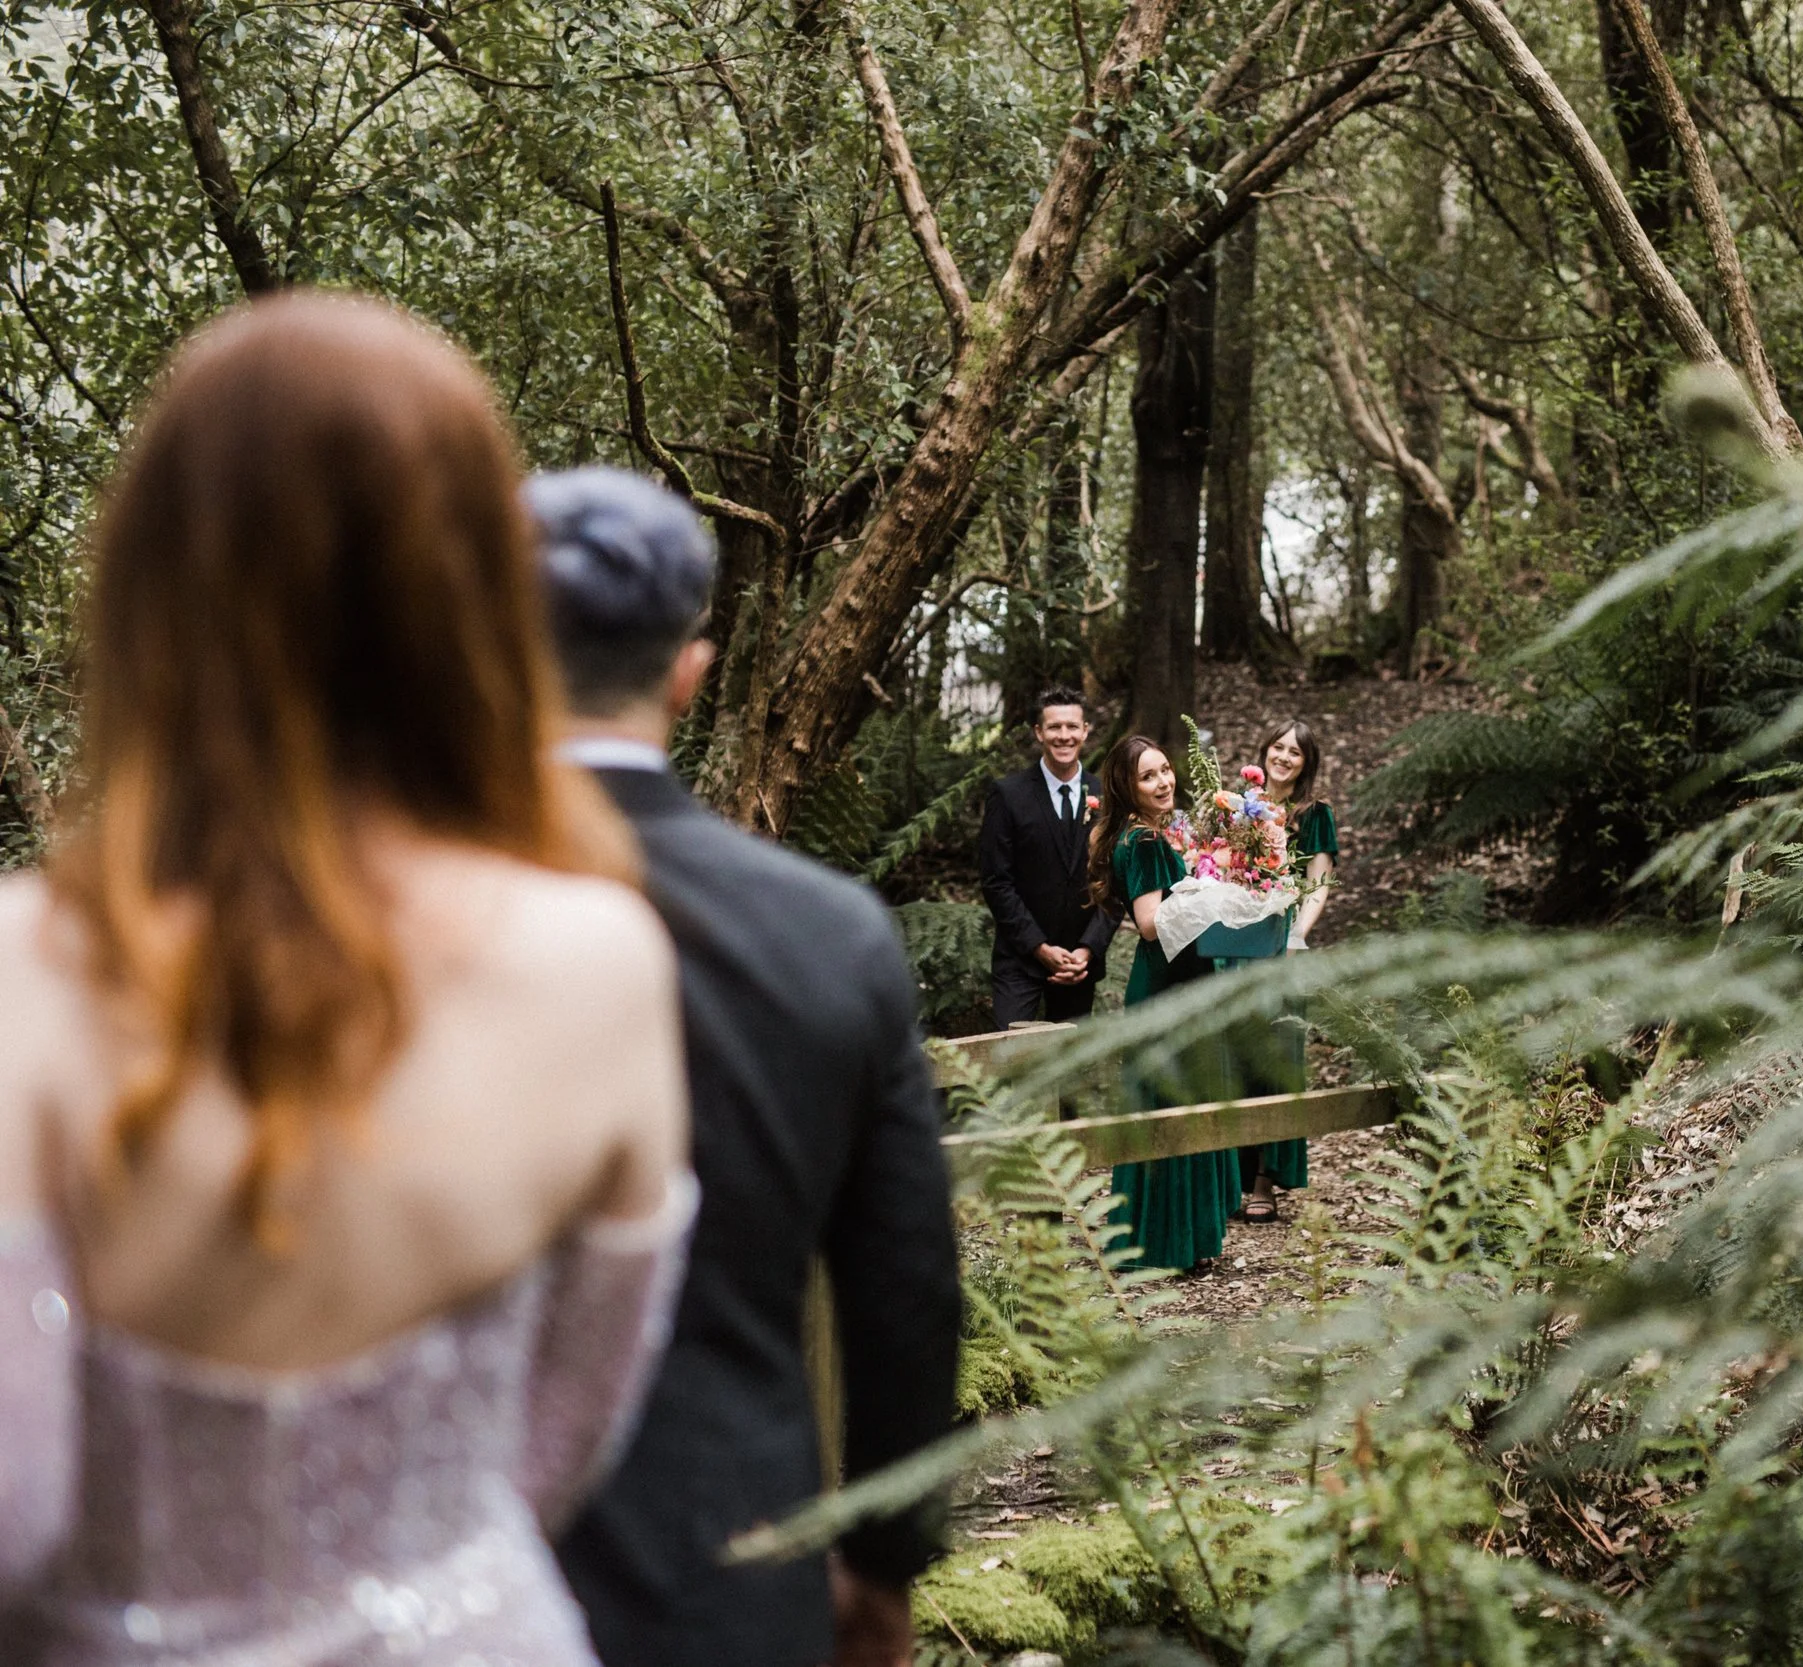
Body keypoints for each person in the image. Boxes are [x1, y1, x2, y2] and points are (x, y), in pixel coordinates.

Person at [0, 293, 695, 1664]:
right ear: (475, 596)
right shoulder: (604, 959)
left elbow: (18, 1504)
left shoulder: (26, 967)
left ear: (149, 587)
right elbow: (557, 1446)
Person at [526, 468, 961, 1667]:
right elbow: (907, 1291)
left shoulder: (387, 923)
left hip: (450, 1562)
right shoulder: (828, 934)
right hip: (736, 1553)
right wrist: (881, 1560)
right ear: (688, 671)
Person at [1092, 735, 1241, 1270]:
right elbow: (1151, 925)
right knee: (1170, 1110)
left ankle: (1188, 1239)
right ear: (1127, 789)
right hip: (1166, 988)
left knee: (1192, 1102)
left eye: (1165, 770)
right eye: (1148, 777)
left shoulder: (1168, 833)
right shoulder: (1147, 843)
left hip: (1192, 981)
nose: (1163, 782)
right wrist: (1208, 898)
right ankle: (1164, 1243)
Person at [1236, 720, 1337, 1223]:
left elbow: (1318, 883)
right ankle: (1227, 1176)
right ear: (1264, 750)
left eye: (1294, 752)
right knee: (1233, 1057)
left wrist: (1297, 935)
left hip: (1283, 948)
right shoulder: (1236, 804)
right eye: (1277, 747)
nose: (1283, 757)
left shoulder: (1315, 815)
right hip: (1232, 950)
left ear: (1306, 763)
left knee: (1273, 1060)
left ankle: (1264, 1182)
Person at [979, 689, 1112, 1029]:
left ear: (1085, 730)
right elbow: (996, 881)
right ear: (1039, 732)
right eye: (1054, 727)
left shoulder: (1107, 797)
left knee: (1071, 1071)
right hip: (1020, 958)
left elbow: (1114, 883)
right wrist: (1038, 947)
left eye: (1072, 727)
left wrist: (1087, 950)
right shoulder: (1008, 795)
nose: (1063, 736)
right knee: (1010, 1061)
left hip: (1078, 964)